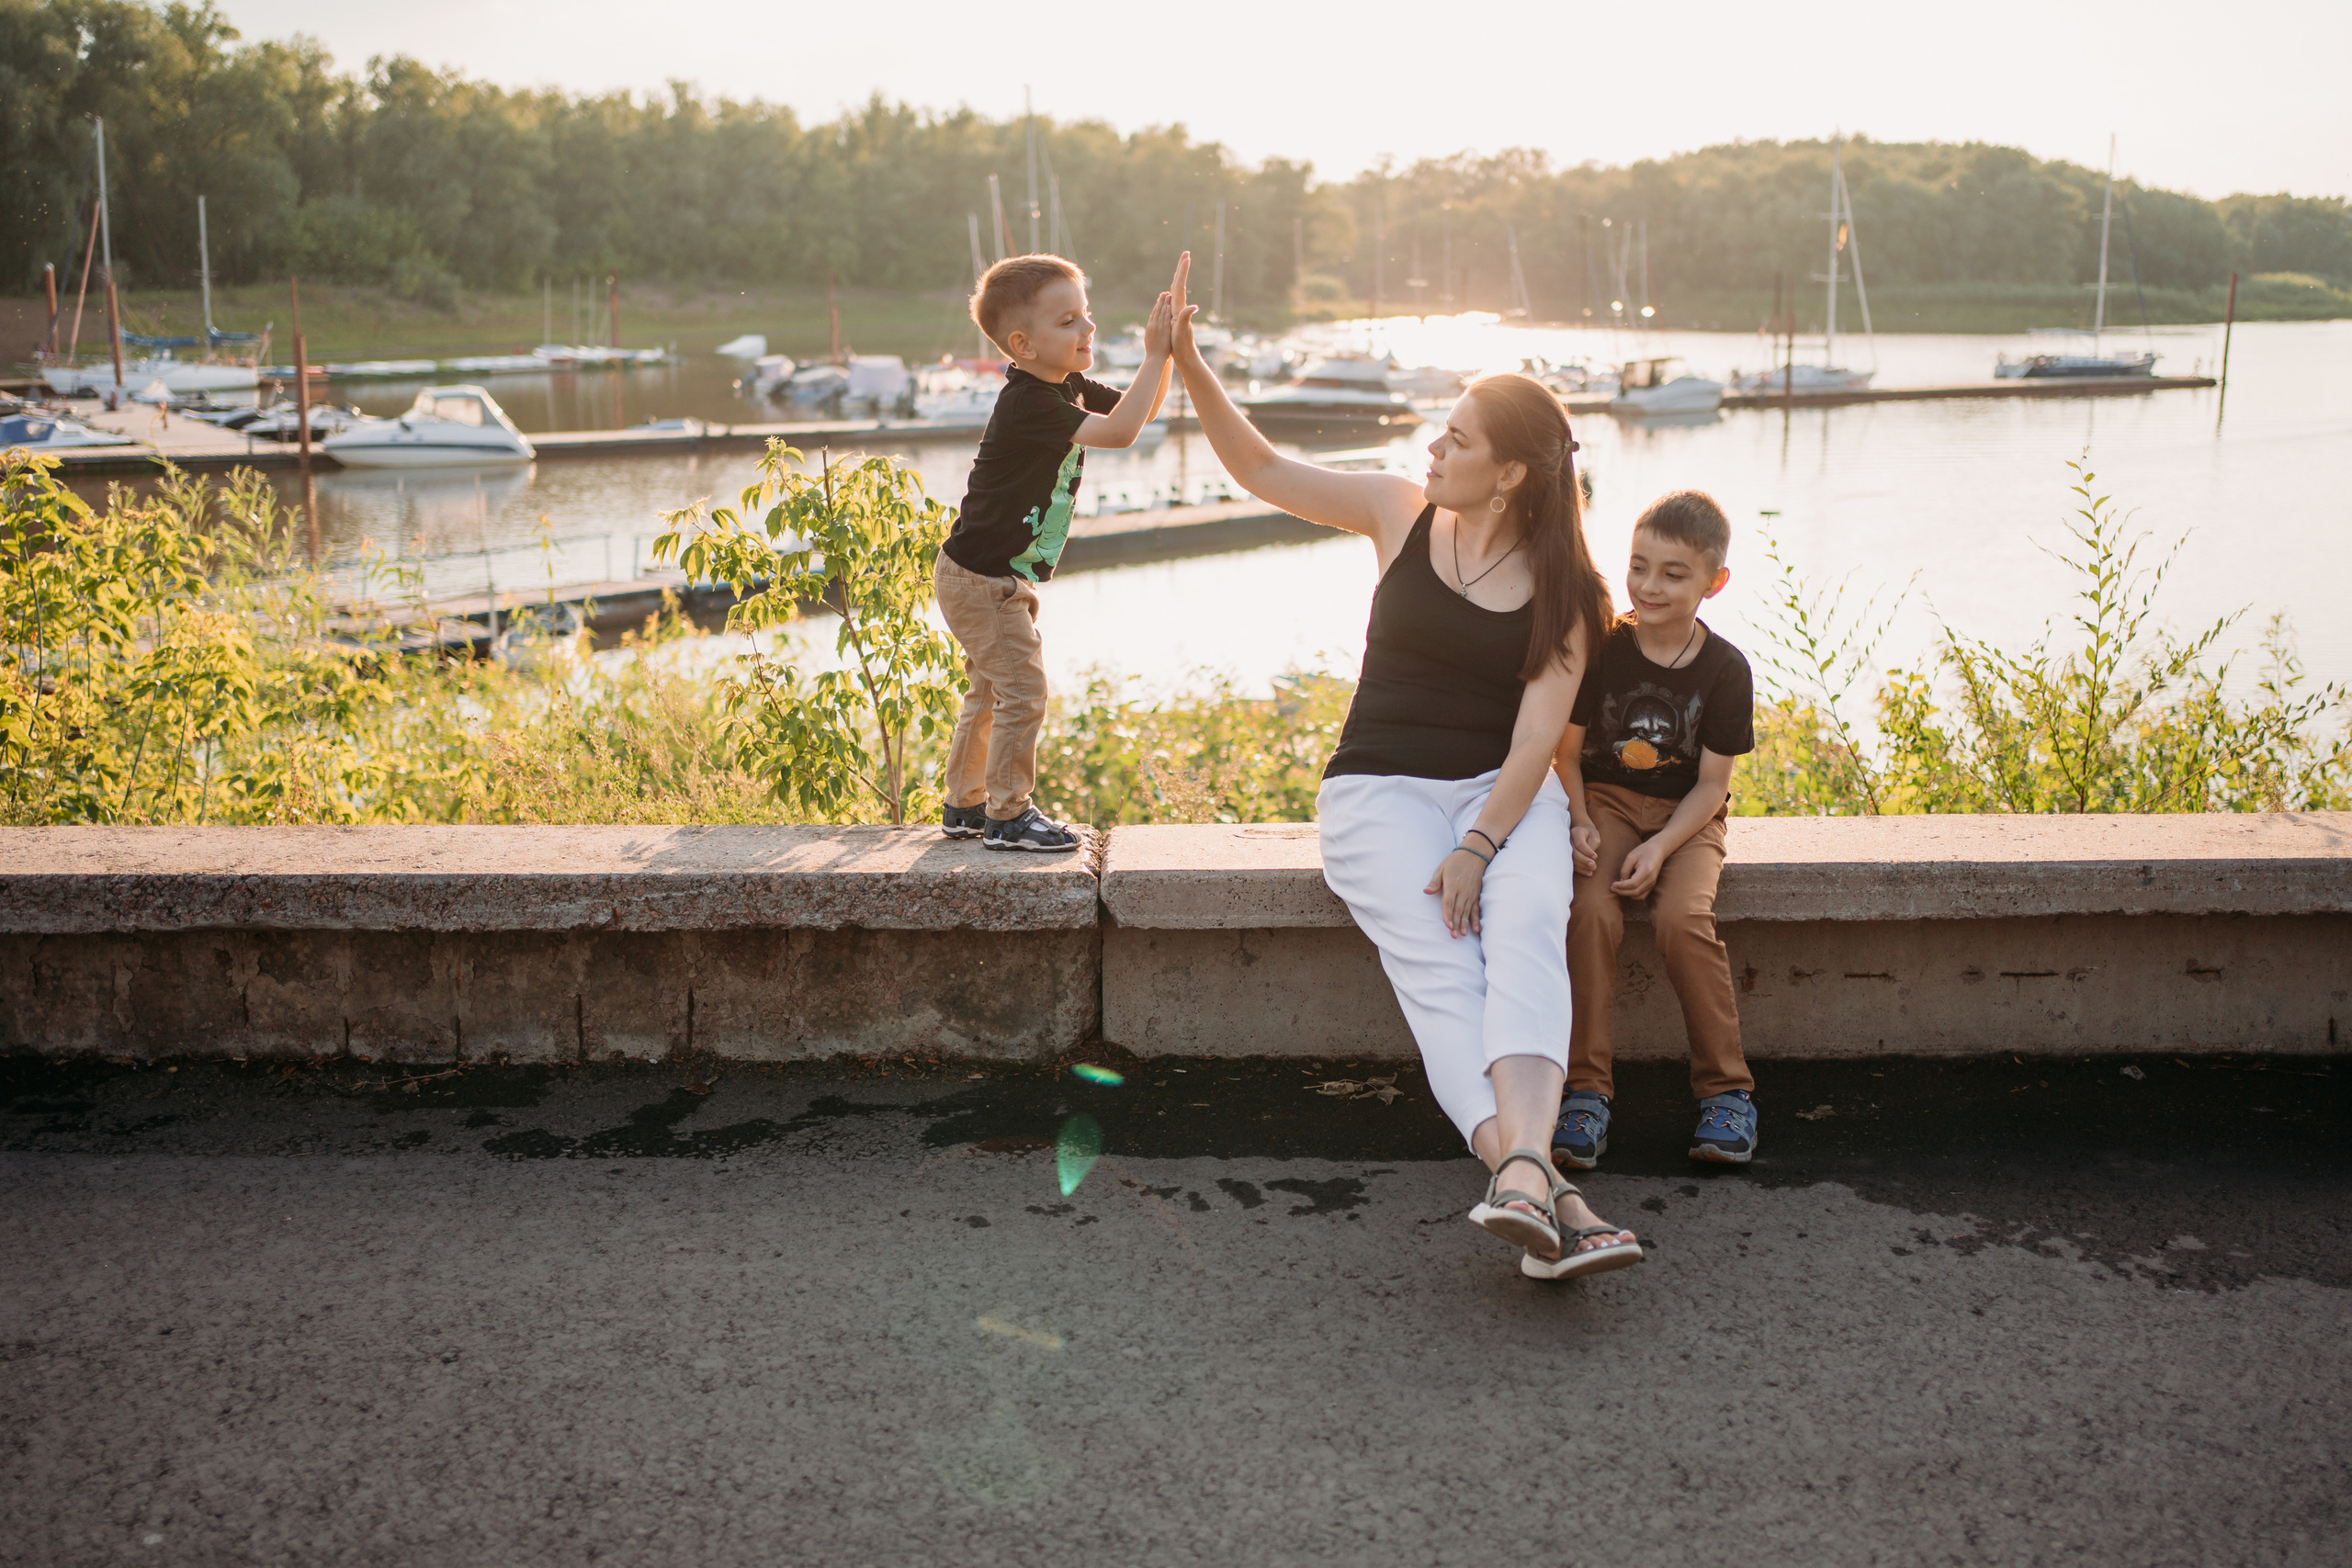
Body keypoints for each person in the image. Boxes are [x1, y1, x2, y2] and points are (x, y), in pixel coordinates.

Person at [1166, 265, 1643, 1281]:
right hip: (1377, 792)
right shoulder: (1398, 510)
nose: (1434, 447)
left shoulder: (1570, 591)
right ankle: (1541, 1183)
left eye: (1458, 439)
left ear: (1510, 473)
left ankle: (1520, 1181)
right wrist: (1190, 363)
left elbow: (1533, 744)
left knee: (1526, 930)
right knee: (1441, 963)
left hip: (1498, 795)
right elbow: (1261, 467)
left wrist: (1478, 844)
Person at [934, 254, 1185, 851]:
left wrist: (1169, 350)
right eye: (1068, 321)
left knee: (989, 693)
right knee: (1023, 693)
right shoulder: (1028, 402)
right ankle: (1007, 815)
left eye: (1086, 313)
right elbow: (1120, 433)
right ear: (1022, 345)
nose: (1088, 328)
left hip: (982, 574)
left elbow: (1138, 410)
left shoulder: (1063, 384)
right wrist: (1155, 354)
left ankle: (966, 806)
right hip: (982, 581)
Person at [1550, 491, 1760, 1169]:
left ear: (1713, 582)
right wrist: (1579, 819)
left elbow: (1712, 785)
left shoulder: (1726, 670)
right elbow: (1564, 753)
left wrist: (1662, 845)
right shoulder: (1603, 649)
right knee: (1590, 912)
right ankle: (1585, 1091)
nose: (1648, 586)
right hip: (1606, 803)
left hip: (1686, 818)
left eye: (1673, 573)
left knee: (1682, 918)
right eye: (1639, 566)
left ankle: (1726, 1092)